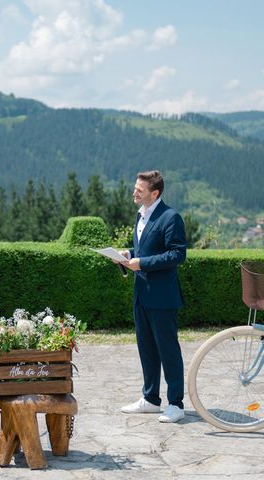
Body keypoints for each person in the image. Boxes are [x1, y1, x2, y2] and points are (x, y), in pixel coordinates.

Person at [117, 170, 187, 423]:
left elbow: (177, 254)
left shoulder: (171, 217)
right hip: (141, 295)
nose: (134, 191)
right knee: (146, 348)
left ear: (154, 193)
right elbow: (145, 248)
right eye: (135, 187)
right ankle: (150, 400)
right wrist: (129, 254)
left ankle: (176, 404)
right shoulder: (141, 215)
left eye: (140, 189)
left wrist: (142, 262)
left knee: (168, 350)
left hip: (162, 297)